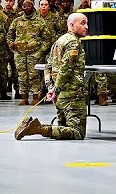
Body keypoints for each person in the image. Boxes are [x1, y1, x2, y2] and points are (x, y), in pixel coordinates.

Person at [14, 12, 90, 140]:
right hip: (72, 93)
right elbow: (67, 68)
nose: (86, 27)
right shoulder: (73, 43)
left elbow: (48, 65)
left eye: (87, 23)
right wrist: (56, 88)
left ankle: (32, 126)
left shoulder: (60, 40)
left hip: (60, 95)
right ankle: (37, 128)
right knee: (77, 132)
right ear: (72, 25)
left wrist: (51, 87)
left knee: (63, 127)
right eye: (82, 23)